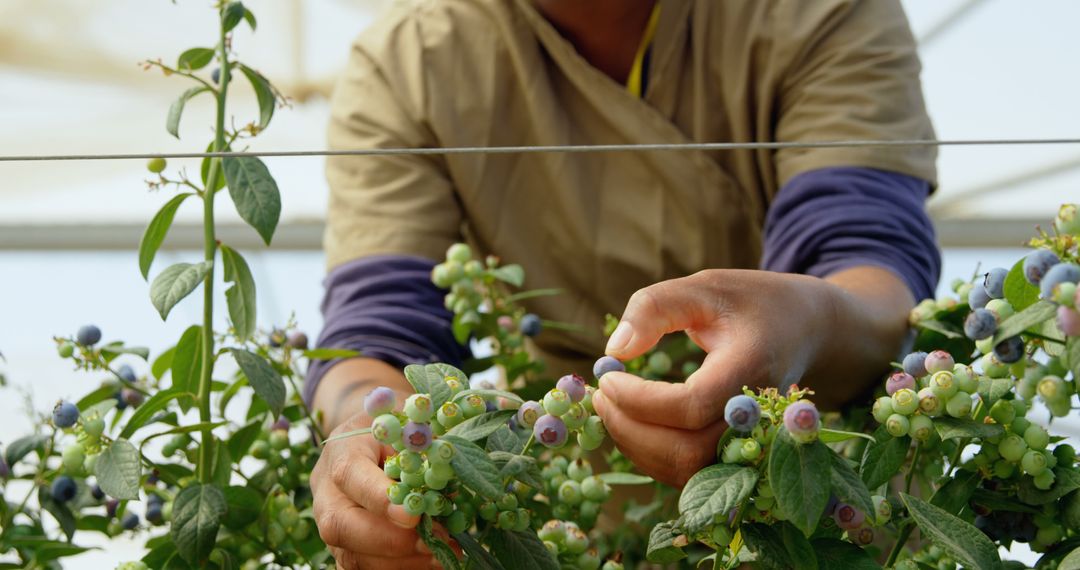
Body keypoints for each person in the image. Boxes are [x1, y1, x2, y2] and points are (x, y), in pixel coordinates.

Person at [307, 0, 941, 567]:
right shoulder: (413, 62)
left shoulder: (818, 12)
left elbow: (868, 266)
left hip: (816, 508)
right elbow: (381, 331)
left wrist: (811, 325)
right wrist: (364, 439)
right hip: (572, 518)